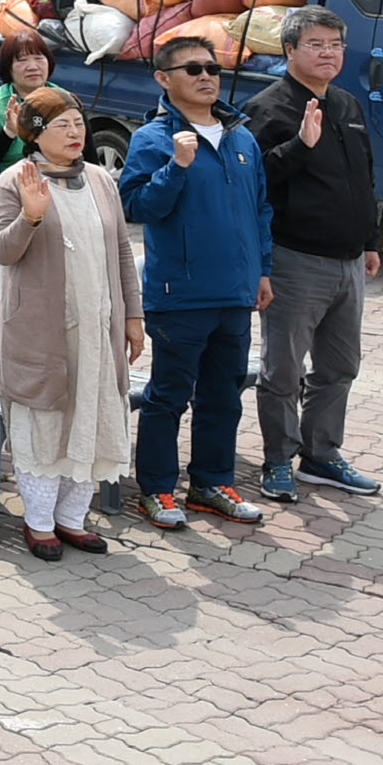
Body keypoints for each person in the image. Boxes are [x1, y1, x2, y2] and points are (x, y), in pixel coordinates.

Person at [119, 35, 275, 531]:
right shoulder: (154, 140)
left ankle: (211, 483)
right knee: (168, 396)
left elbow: (261, 210)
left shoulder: (242, 137)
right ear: (164, 79)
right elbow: (138, 207)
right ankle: (157, 489)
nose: (206, 76)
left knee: (224, 395)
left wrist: (262, 270)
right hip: (179, 296)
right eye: (191, 69)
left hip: (235, 292)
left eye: (211, 67)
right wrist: (176, 167)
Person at [0, 87, 140, 559]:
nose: (75, 132)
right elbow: (2, 252)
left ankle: (72, 519)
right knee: (46, 420)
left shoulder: (100, 180)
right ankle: (38, 522)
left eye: (78, 122)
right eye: (62, 125)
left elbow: (121, 252)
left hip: (99, 327)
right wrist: (31, 218)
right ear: (35, 135)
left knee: (91, 415)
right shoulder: (13, 182)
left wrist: (133, 314)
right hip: (42, 330)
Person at [245, 6, 383, 500]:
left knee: (339, 366)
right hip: (295, 259)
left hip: (349, 261)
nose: (329, 53)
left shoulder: (346, 103)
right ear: (289, 50)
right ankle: (278, 460)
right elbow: (255, 182)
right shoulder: (269, 108)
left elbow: (364, 177)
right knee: (283, 369)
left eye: (336, 44)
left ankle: (322, 455)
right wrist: (300, 147)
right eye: (317, 44)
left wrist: (370, 240)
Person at [0, 32, 54, 231]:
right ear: (8, 68)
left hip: (59, 211)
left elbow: (87, 156)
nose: (33, 66)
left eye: (39, 58)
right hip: (8, 215)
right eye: (22, 60)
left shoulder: (63, 101)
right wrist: (8, 132)